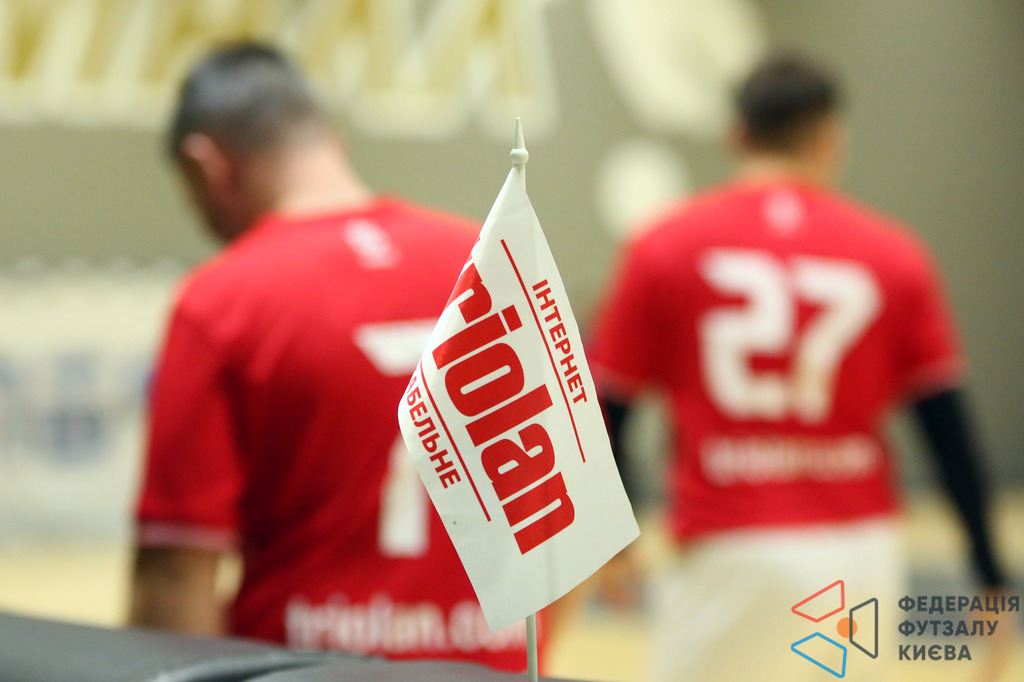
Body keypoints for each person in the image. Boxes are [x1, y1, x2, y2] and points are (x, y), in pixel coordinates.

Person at [589, 55, 1008, 681]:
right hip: (857, 554)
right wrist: (989, 572)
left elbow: (606, 410)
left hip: (727, 546)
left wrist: (613, 544)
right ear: (828, 138)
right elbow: (947, 430)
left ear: (736, 135)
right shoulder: (894, 254)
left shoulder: (663, 246)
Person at [128, 42, 529, 671]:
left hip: (300, 667)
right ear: (329, 136)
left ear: (208, 166)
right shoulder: (496, 261)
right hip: (487, 668)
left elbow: (177, 569)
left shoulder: (219, 302)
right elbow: (583, 523)